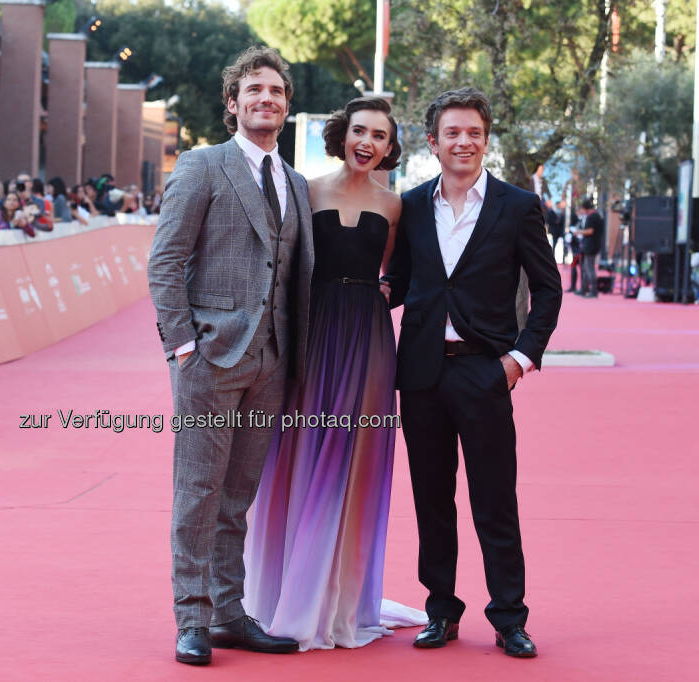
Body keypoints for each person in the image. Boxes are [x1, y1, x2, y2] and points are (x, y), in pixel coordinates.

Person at [148, 46, 314, 666]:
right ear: (233, 104)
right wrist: (183, 346)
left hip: (271, 361)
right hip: (211, 358)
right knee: (198, 492)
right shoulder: (202, 166)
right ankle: (191, 619)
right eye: (254, 91)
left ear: (286, 104)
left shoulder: (295, 183)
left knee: (237, 497)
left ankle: (228, 613)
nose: (265, 99)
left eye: (275, 90)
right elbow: (165, 261)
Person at [243, 96, 426, 651]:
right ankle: (288, 592)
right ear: (343, 134)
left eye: (381, 137)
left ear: (391, 148)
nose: (368, 143)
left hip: (368, 339)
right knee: (298, 453)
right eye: (360, 131)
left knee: (353, 461)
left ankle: (340, 600)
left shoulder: (394, 206)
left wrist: (377, 298)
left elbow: (398, 273)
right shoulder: (306, 189)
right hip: (312, 333)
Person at [384, 88, 562, 658]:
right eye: (452, 133)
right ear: (432, 142)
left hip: (486, 373)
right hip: (421, 377)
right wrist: (344, 294)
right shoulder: (410, 206)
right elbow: (401, 282)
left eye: (474, 133)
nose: (464, 142)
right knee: (431, 500)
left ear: (486, 139)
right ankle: (441, 611)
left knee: (494, 500)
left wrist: (519, 359)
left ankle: (510, 617)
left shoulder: (516, 206)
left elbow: (548, 290)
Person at [573, 198, 602, 297]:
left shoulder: (591, 217)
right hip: (595, 244)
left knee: (589, 268)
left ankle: (593, 290)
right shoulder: (598, 216)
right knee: (586, 267)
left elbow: (590, 231)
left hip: (590, 245)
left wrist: (579, 232)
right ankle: (584, 288)